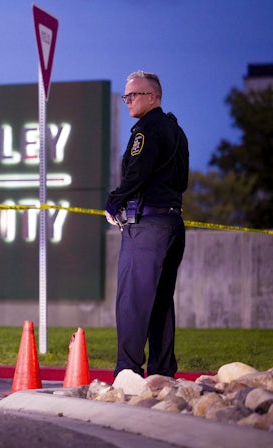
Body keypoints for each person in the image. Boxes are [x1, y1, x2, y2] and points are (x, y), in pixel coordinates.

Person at [105, 70, 189, 378]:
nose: (127, 101)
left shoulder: (146, 130)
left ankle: (127, 373)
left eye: (133, 95)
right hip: (172, 225)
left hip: (147, 227)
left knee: (133, 301)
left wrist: (115, 200)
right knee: (161, 303)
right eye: (125, 95)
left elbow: (137, 172)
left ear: (152, 96)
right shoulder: (176, 131)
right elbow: (182, 181)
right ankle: (162, 373)